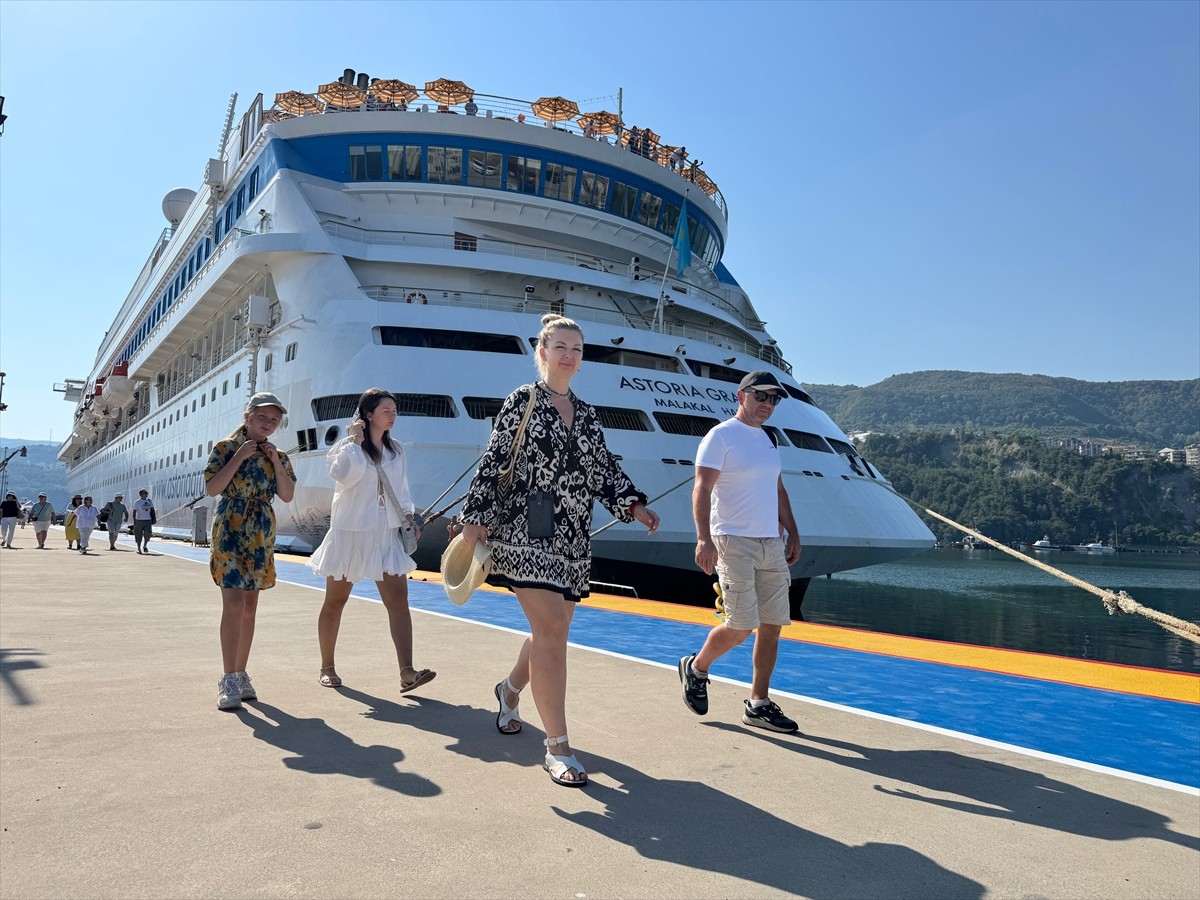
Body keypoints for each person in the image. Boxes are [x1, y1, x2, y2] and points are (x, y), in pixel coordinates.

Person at [459, 314, 660, 787]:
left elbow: (603, 468)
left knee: (552, 628)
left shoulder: (588, 414)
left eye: (578, 348)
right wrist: (475, 514)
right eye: (561, 346)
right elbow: (494, 459)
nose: (570, 355)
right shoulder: (521, 402)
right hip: (524, 527)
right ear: (542, 352)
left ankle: (509, 691)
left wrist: (632, 502)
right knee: (551, 627)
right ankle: (558, 747)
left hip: (571, 531)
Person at [678, 370, 803, 734]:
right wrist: (704, 539)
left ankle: (758, 703)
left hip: (771, 543)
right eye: (760, 396)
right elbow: (701, 489)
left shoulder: (768, 440)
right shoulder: (720, 437)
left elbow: (778, 489)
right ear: (741, 395)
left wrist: (793, 532)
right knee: (740, 625)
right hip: (732, 541)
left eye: (773, 399)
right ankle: (697, 668)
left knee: (772, 626)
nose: (767, 404)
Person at [308, 388, 436, 693]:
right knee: (336, 601)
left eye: (394, 410)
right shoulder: (345, 449)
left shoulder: (397, 451)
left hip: (386, 533)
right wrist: (353, 442)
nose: (393, 415)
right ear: (368, 415)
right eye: (386, 410)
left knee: (398, 602)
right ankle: (327, 667)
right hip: (351, 533)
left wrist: (408, 517)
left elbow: (401, 491)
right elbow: (342, 476)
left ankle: (407, 671)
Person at [204, 392, 296, 711]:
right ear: (248, 416)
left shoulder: (280, 456)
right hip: (230, 526)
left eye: (274, 420)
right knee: (234, 602)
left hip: (260, 531)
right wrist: (240, 456)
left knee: (250, 606)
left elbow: (286, 495)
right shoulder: (226, 448)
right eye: (263, 417)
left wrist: (274, 462)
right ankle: (228, 678)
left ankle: (241, 673)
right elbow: (213, 488)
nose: (269, 424)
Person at [131, 489, 155, 554]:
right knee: (138, 535)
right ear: (140, 494)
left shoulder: (149, 501)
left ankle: (145, 545)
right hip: (139, 520)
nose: (145, 494)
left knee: (148, 534)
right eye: (144, 493)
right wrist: (134, 521)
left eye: (146, 493)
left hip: (148, 520)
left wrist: (153, 518)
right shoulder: (137, 502)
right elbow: (134, 511)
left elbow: (152, 510)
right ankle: (139, 548)